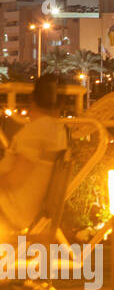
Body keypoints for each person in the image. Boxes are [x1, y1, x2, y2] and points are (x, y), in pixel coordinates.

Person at [0, 76, 69, 239]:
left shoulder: (36, 131)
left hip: (11, 211)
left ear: (32, 98)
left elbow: (15, 179)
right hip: (25, 210)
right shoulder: (57, 131)